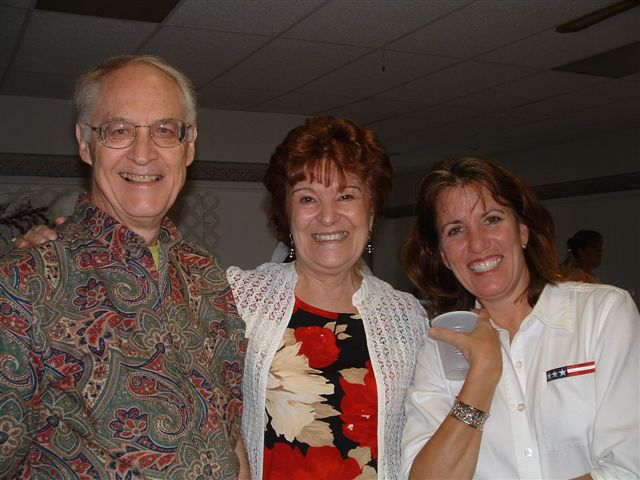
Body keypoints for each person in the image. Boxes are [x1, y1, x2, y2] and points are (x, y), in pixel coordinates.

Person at [0, 55, 248, 479]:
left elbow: (229, 431)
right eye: (119, 130)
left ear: (189, 146)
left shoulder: (206, 274)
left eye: (164, 130)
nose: (143, 153)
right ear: (85, 142)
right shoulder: (23, 283)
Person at [401, 157, 639, 479]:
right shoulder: (440, 347)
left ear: (523, 231)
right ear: (444, 255)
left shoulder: (603, 314)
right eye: (456, 230)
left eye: (492, 219)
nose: (477, 243)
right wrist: (482, 375)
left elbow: (628, 465)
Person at [227, 116, 428, 479]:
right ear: (287, 213)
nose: (328, 216)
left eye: (346, 196)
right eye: (308, 198)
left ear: (372, 210)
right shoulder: (239, 300)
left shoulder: (407, 318)